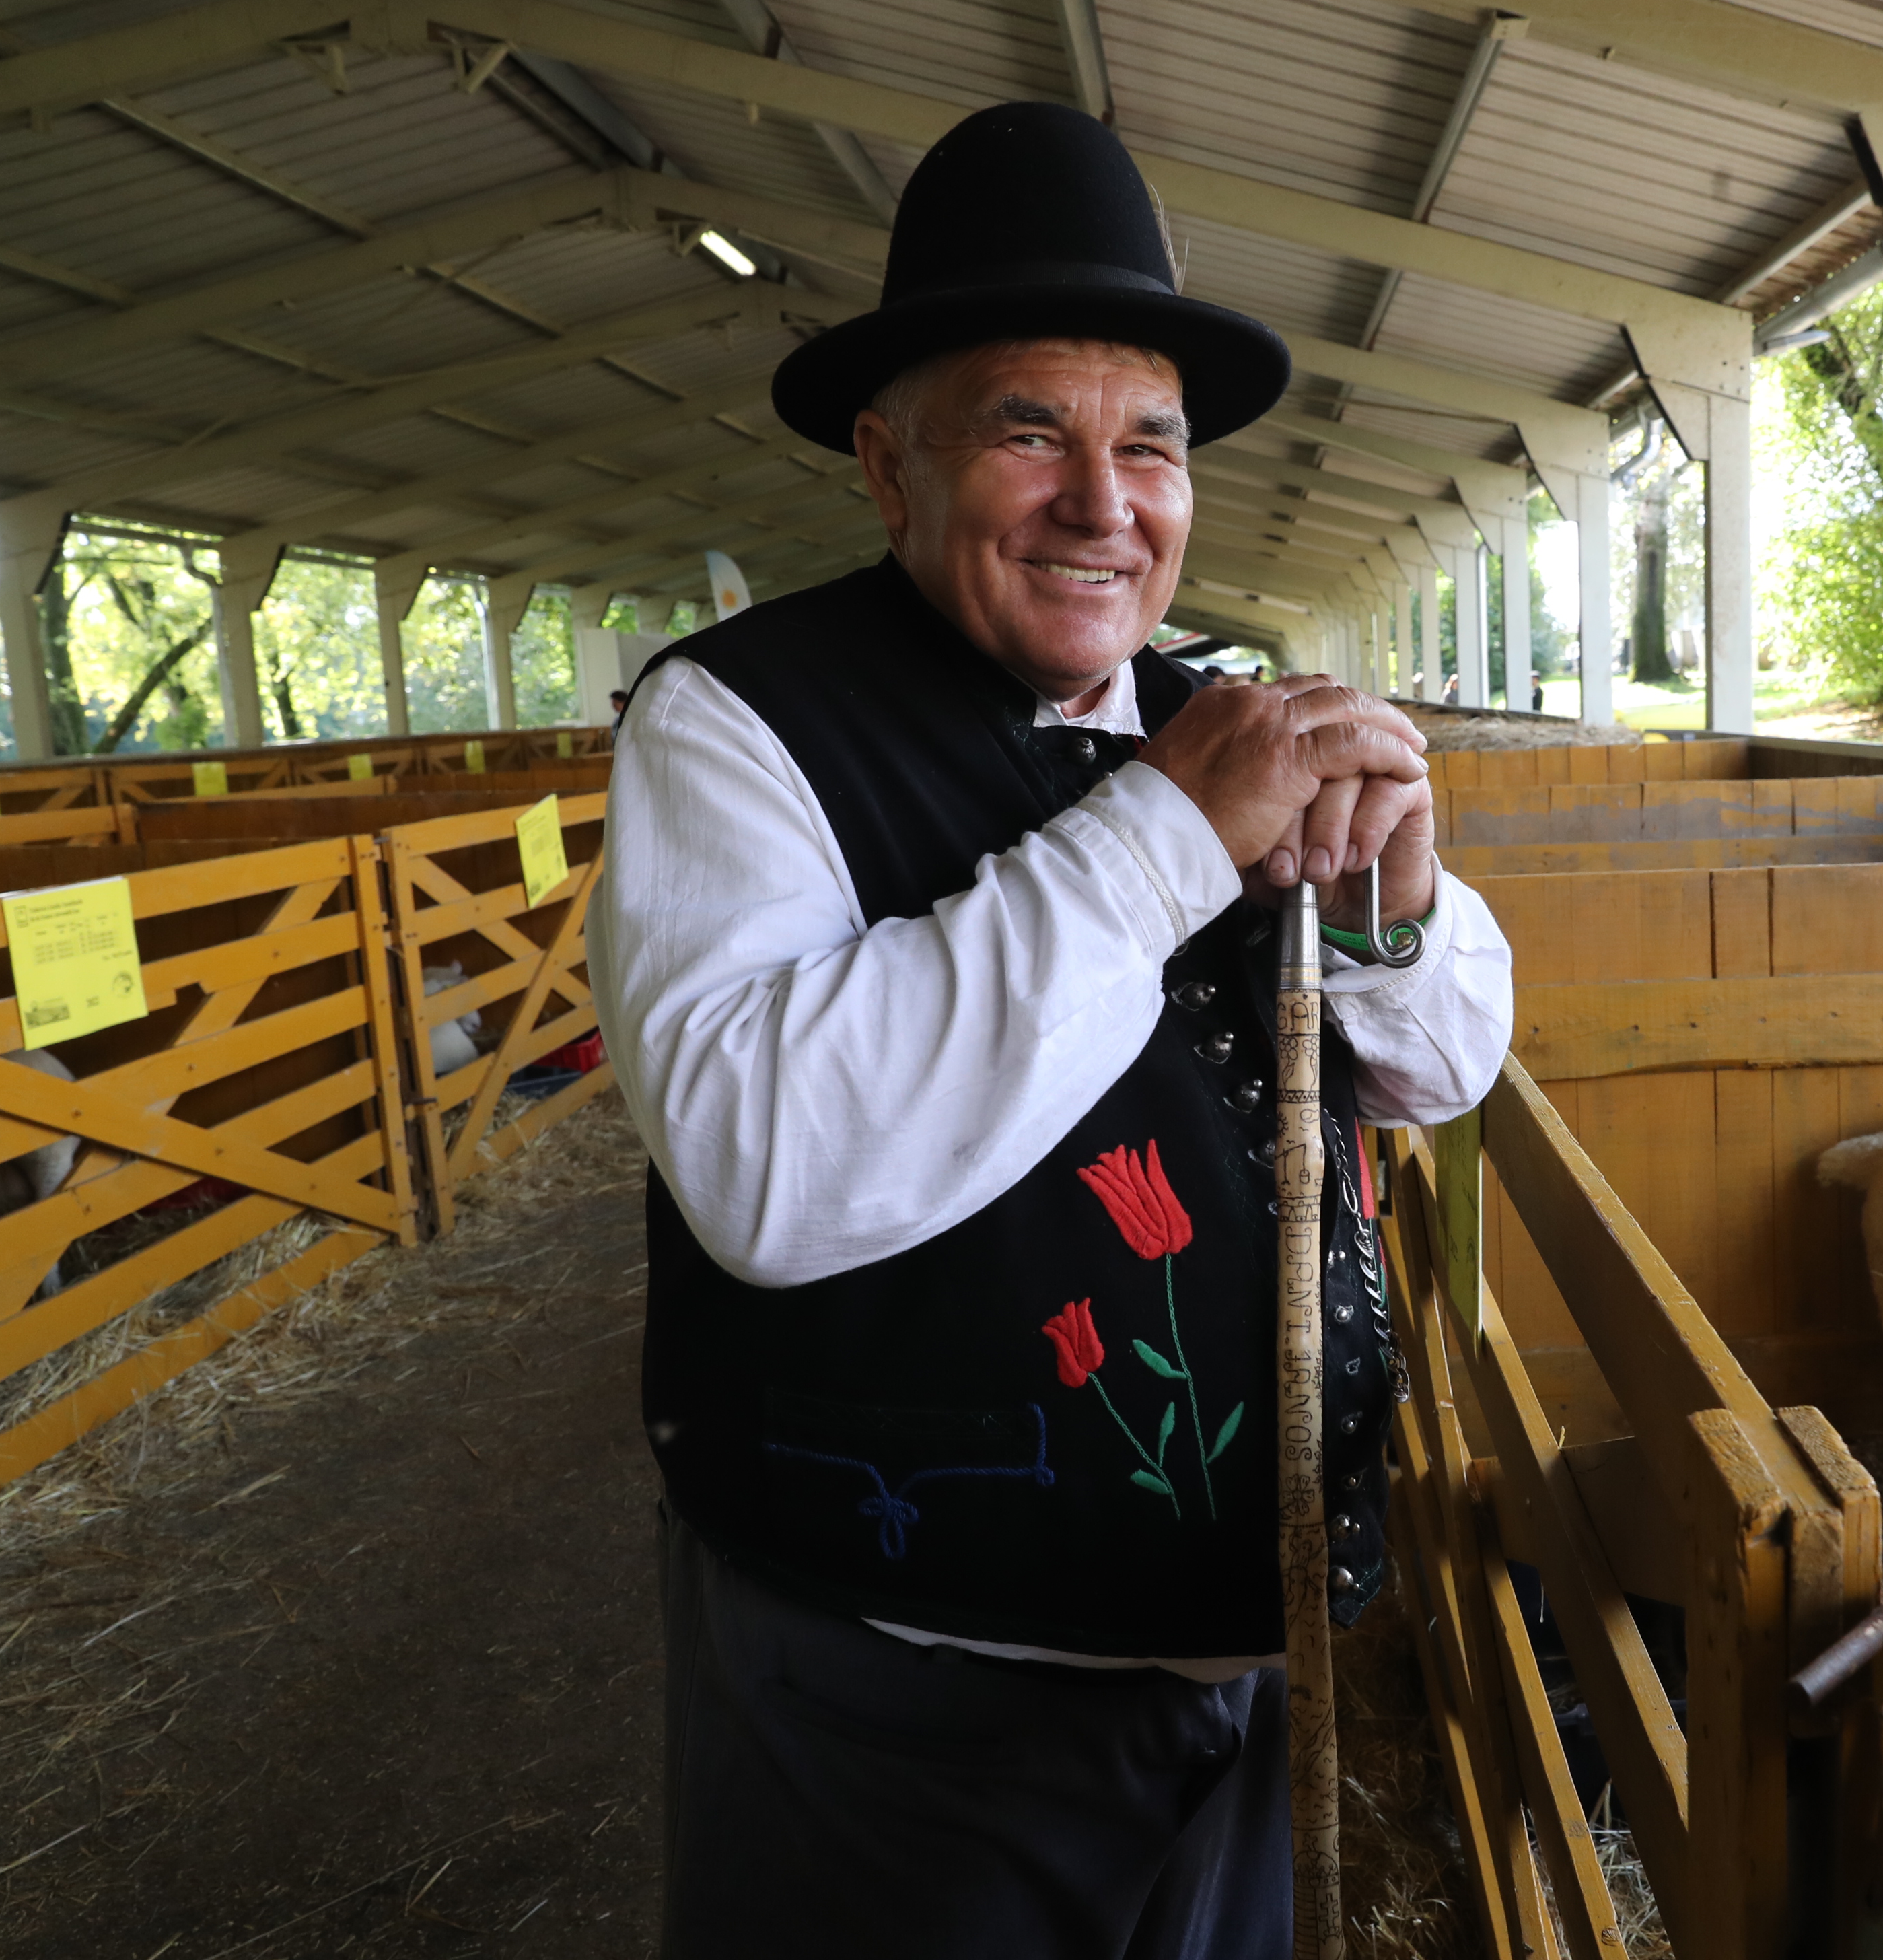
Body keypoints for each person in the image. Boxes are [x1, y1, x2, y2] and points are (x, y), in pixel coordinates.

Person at [591, 103, 1516, 1959]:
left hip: (1247, 1662)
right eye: (1032, 431)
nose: (1107, 503)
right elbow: (766, 1167)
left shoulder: (1231, 707)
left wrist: (1395, 906)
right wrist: (1168, 836)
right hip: (907, 1695)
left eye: (1150, 444)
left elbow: (1450, 1060)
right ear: (887, 462)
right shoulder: (739, 722)